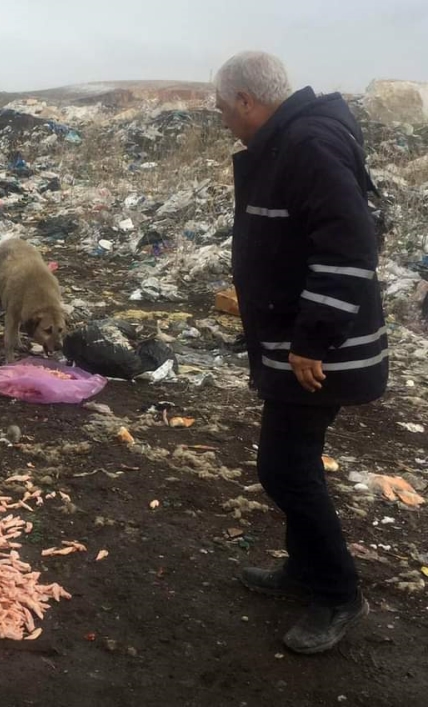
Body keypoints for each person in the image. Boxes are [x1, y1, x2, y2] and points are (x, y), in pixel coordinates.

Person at [214, 52, 387, 654]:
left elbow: (351, 243)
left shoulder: (308, 144)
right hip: (300, 341)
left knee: (285, 468)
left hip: (320, 351)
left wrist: (312, 338)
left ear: (245, 101)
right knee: (293, 462)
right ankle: (303, 572)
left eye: (221, 107)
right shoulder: (291, 140)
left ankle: (339, 594)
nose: (221, 119)